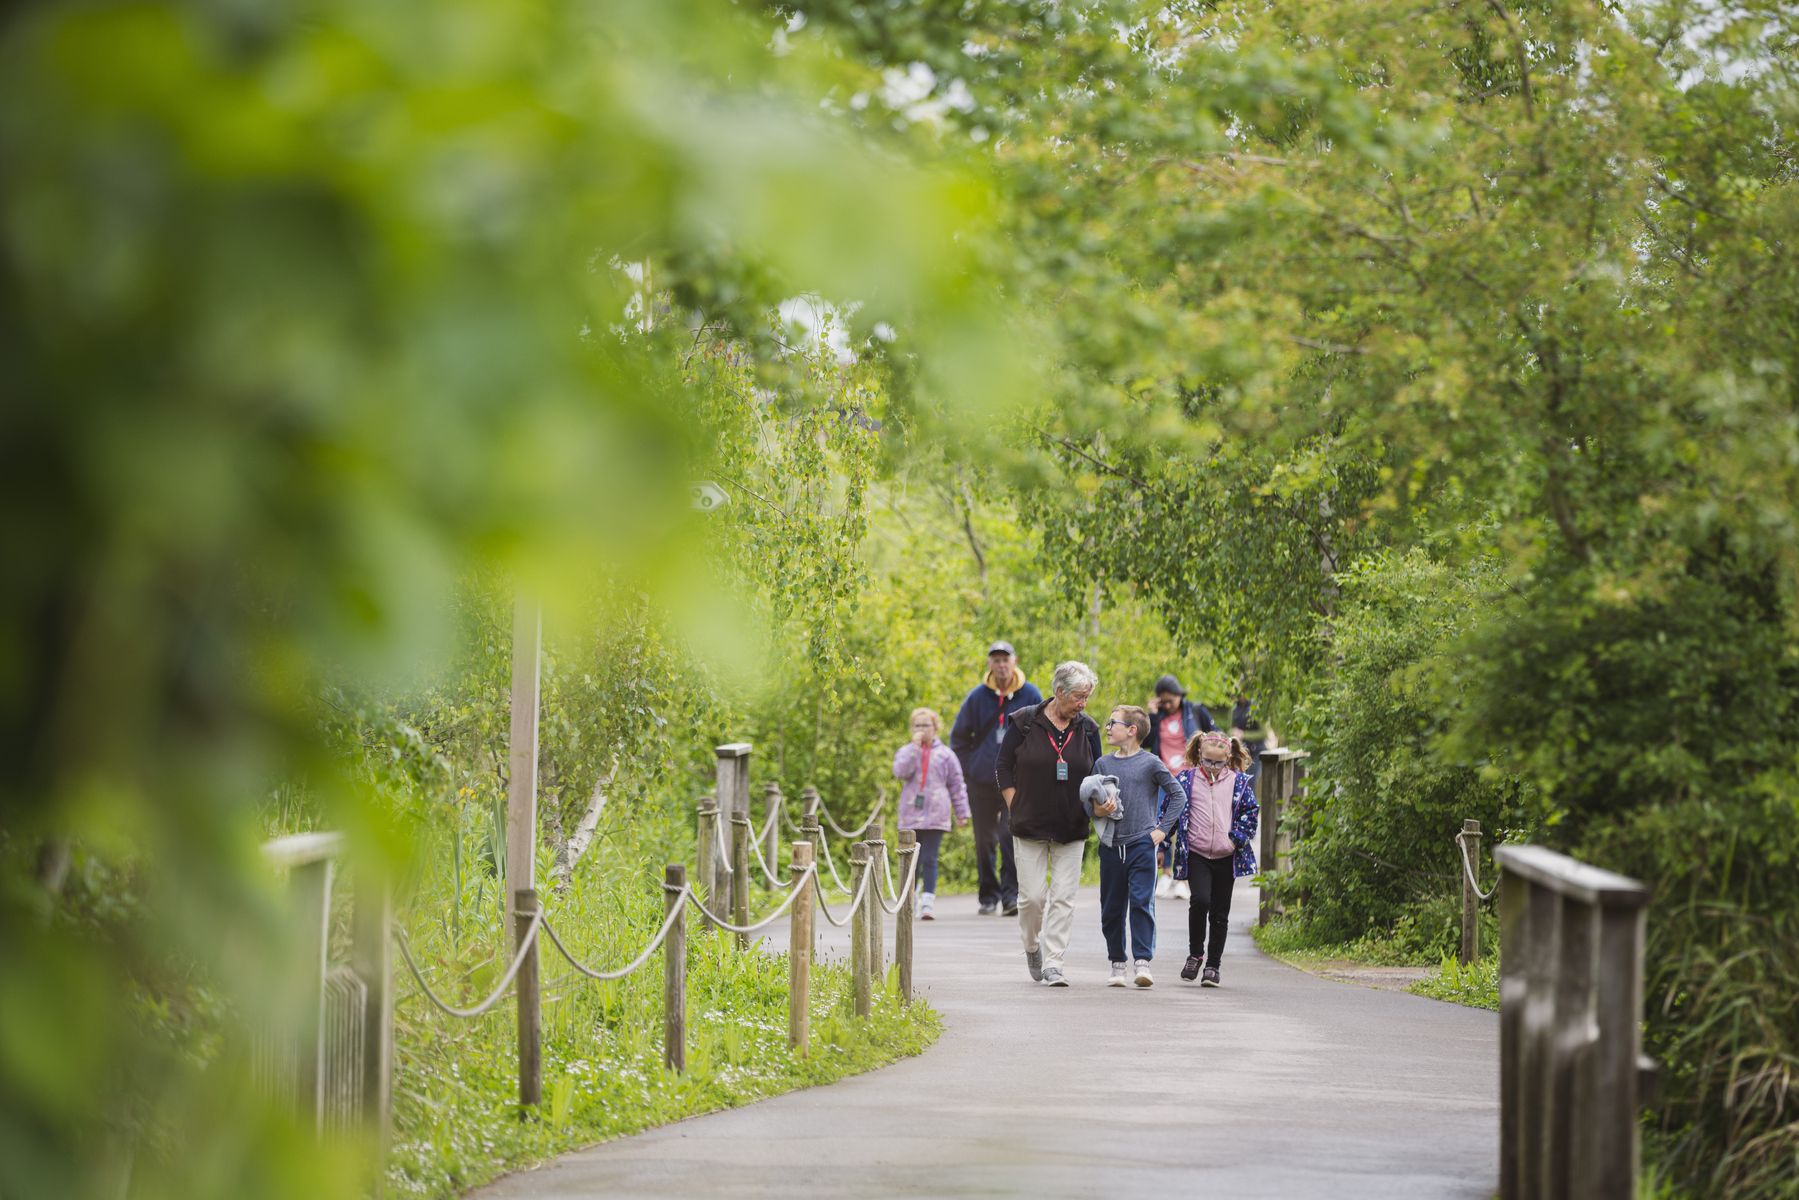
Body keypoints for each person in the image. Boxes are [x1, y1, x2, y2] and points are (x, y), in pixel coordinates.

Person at [997, 661, 1102, 987]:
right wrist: (1016, 804)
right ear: (1059, 692)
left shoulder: (1088, 729)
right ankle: (1032, 947)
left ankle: (1054, 962)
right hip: (1029, 825)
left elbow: (1098, 774)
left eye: (1086, 697)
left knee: (1063, 898)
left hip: (1071, 825)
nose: (1083, 704)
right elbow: (1002, 767)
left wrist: (1102, 802)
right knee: (1031, 899)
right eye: (1079, 697)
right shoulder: (1025, 722)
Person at [1087, 705, 1185, 988]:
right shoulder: (1103, 764)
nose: (1107, 728)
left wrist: (1161, 831)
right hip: (1111, 846)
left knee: (1142, 902)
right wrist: (1098, 810)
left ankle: (1142, 962)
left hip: (1142, 845)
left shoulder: (1151, 763)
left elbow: (1178, 796)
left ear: (1131, 730)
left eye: (1112, 723)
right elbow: (1090, 805)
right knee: (1111, 908)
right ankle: (1117, 963)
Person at [949, 641, 1042, 916]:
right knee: (984, 839)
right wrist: (969, 770)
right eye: (996, 660)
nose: (1001, 665)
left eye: (1005, 660)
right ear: (989, 664)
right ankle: (987, 895)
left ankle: (1010, 895)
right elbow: (959, 738)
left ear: (1015, 661)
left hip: (1017, 781)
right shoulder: (977, 697)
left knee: (1009, 835)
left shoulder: (1031, 694)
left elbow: (1042, 734)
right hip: (982, 781)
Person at [1171, 730, 1259, 987]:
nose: (1212, 767)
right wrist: (1163, 840)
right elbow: (1172, 810)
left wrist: (1236, 838)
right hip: (1197, 853)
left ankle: (1213, 966)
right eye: (1207, 761)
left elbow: (1250, 813)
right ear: (1199, 754)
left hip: (1225, 856)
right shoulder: (1187, 779)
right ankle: (1195, 953)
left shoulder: (1239, 782)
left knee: (1220, 913)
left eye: (1218, 763)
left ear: (1228, 757)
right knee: (1199, 900)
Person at [891, 707, 970, 921]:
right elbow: (900, 771)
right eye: (917, 725)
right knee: (911, 860)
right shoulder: (907, 751)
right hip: (911, 814)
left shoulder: (946, 755)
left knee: (930, 858)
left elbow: (956, 784)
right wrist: (914, 749)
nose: (922, 729)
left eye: (926, 725)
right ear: (912, 729)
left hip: (936, 814)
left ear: (935, 728)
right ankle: (910, 898)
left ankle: (927, 901)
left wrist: (962, 812)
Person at [1148, 675, 1213, 901]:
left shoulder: (1195, 712)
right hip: (1164, 778)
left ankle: (1183, 878)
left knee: (1188, 825)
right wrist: (1154, 715)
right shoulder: (1158, 717)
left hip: (1191, 777)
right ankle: (1166, 874)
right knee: (1162, 822)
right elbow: (1147, 741)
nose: (1166, 705)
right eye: (1162, 701)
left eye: (1169, 700)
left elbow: (1215, 736)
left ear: (1179, 695)